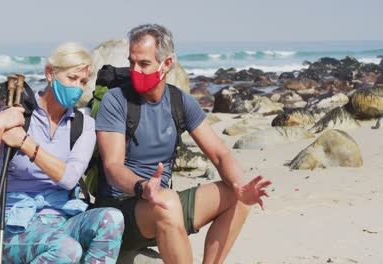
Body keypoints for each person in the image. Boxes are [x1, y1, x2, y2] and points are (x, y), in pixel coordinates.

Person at [94, 24, 272, 263]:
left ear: (166, 64)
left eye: (144, 64)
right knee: (167, 202)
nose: (135, 70)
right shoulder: (115, 100)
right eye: (132, 62)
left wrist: (240, 185)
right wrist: (142, 187)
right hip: (120, 209)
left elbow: (220, 153)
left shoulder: (180, 101)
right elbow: (112, 167)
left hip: (163, 203)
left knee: (236, 195)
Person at [0, 42, 124, 263]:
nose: (78, 88)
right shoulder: (18, 118)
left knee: (112, 218)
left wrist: (26, 143)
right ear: (50, 73)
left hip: (62, 219)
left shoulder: (84, 125)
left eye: (83, 82)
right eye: (72, 78)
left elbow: (69, 178)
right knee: (67, 250)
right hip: (13, 225)